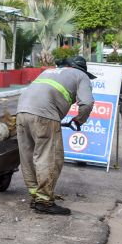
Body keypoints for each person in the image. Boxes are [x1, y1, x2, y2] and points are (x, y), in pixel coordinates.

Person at [16, 56, 95, 215]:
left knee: (28, 156)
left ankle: (35, 195)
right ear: (82, 69)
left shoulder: (49, 72)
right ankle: (44, 201)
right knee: (49, 157)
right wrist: (80, 120)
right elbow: (87, 103)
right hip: (45, 115)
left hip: (21, 111)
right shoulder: (82, 76)